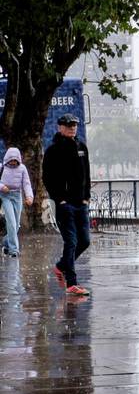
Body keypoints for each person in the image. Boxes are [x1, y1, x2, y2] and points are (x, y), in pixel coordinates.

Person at [43, 114, 93, 296]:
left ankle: (61, 266)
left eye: (74, 125)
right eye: (68, 125)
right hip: (64, 205)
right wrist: (60, 199)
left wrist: (86, 197)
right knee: (71, 241)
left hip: (81, 203)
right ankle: (72, 283)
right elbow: (47, 178)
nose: (72, 128)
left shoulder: (81, 147)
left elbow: (87, 174)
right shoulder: (53, 150)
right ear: (60, 127)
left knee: (84, 241)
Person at [0, 147, 35, 257]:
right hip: (5, 196)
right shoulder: (2, 167)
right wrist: (2, 187)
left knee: (16, 225)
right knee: (11, 222)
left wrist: (29, 196)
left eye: (15, 160)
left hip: (17, 196)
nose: (13, 162)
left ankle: (6, 242)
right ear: (7, 159)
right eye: (11, 160)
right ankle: (14, 250)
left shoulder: (22, 168)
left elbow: (26, 184)